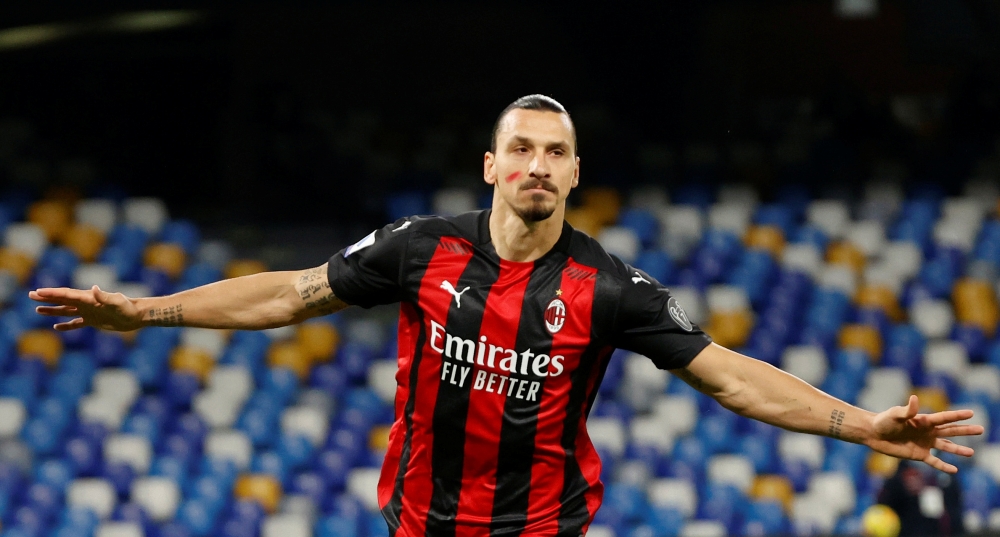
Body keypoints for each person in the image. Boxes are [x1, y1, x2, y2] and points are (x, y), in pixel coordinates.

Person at [31, 95, 982, 537]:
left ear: (575, 173)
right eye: (520, 148)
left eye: (555, 152)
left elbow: (730, 376)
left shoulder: (613, 287)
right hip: (419, 523)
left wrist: (860, 424)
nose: (536, 164)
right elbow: (290, 292)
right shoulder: (419, 248)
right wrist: (146, 311)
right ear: (491, 165)